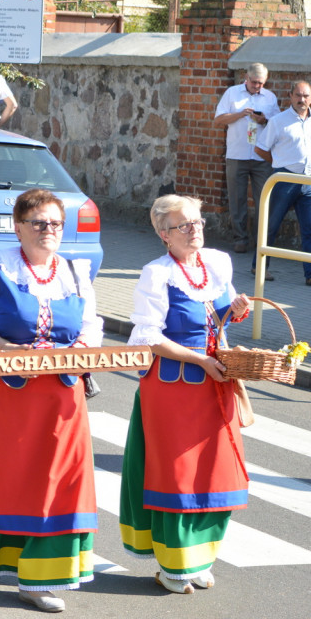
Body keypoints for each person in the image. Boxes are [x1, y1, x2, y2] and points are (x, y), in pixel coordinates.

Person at [0, 188, 101, 613]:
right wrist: (10, 352)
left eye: (56, 223)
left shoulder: (76, 271)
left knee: (60, 482)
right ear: (18, 228)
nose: (49, 230)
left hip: (62, 398)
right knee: (2, 478)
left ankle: (40, 579)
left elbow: (92, 327)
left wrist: (80, 349)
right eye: (39, 223)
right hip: (7, 398)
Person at [121, 194, 251, 595]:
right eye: (184, 225)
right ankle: (173, 565)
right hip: (173, 387)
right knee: (178, 476)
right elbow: (147, 336)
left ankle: (198, 559)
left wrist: (239, 308)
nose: (195, 229)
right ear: (164, 235)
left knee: (216, 472)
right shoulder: (156, 274)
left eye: (197, 222)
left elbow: (220, 314)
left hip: (216, 381)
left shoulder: (216, 263)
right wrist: (199, 359)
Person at [213, 62, 279, 254]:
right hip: (237, 154)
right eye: (254, 82)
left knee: (264, 200)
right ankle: (240, 238)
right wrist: (240, 114)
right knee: (237, 199)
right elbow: (218, 120)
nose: (257, 86)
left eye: (261, 83)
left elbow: (277, 125)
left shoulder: (270, 97)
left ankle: (261, 242)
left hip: (261, 156)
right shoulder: (232, 93)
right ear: (246, 77)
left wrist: (264, 120)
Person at [253, 80, 311, 286]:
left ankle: (310, 274)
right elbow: (260, 148)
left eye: (305, 96)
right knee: (271, 225)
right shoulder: (279, 121)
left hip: (308, 182)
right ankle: (258, 266)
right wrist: (279, 165)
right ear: (290, 96)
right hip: (284, 179)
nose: (301, 99)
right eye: (298, 95)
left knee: (309, 228)